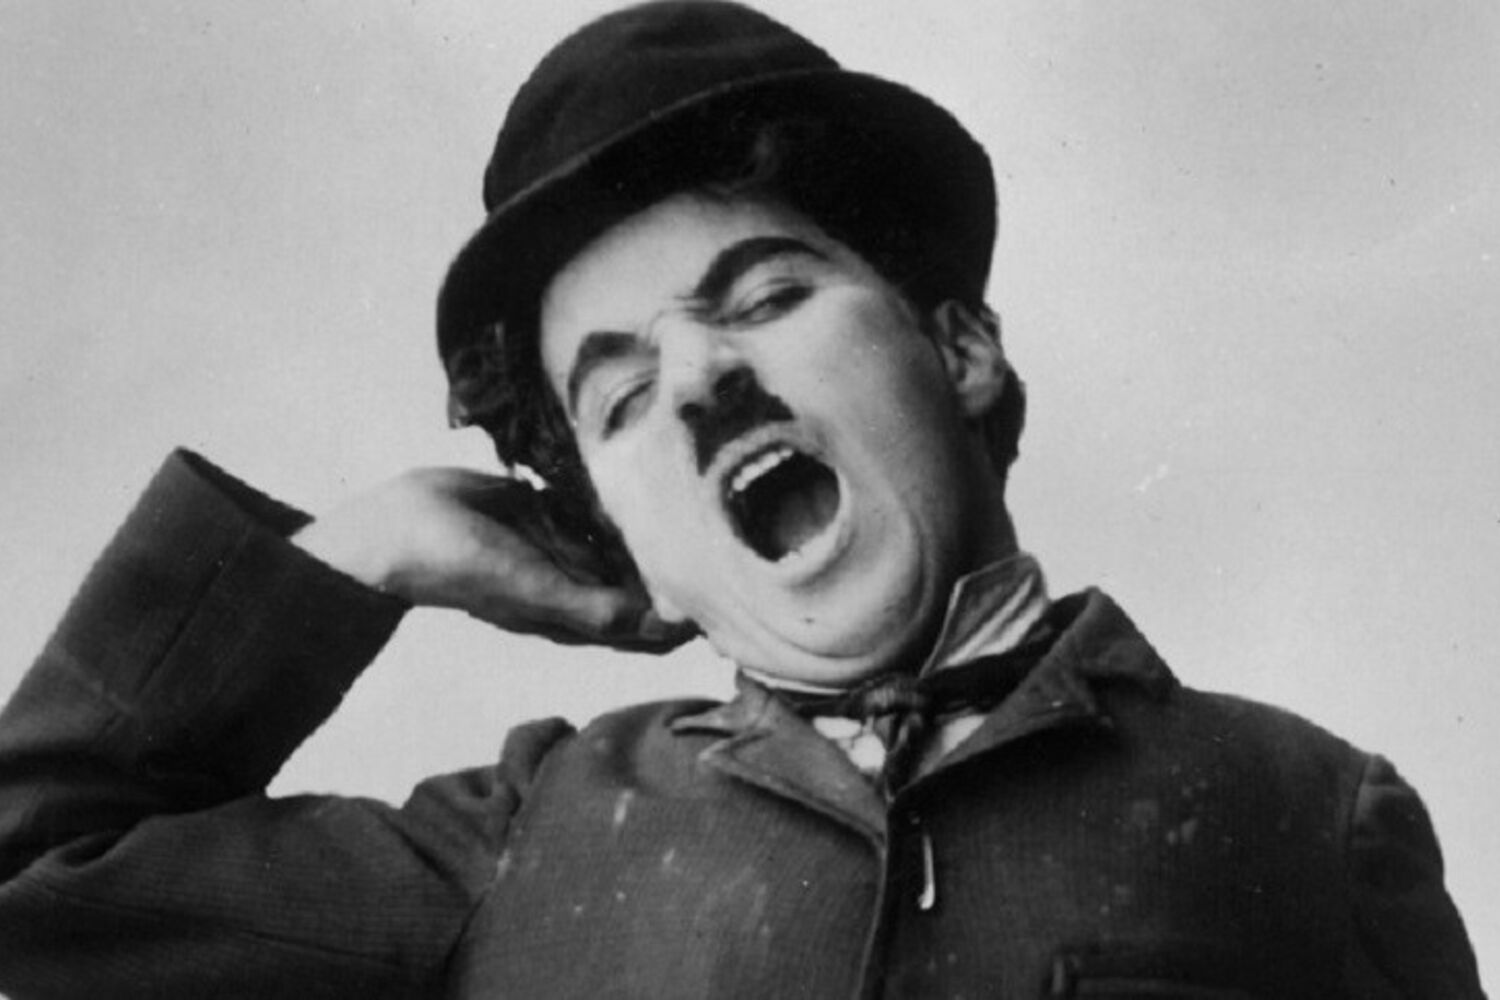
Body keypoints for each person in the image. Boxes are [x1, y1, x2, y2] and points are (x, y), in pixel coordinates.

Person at [0, 2, 1485, 997]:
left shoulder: (1307, 810)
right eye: (620, 396)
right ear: (627, 542)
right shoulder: (524, 837)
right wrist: (357, 555)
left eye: (766, 297)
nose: (703, 378)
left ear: (960, 349)